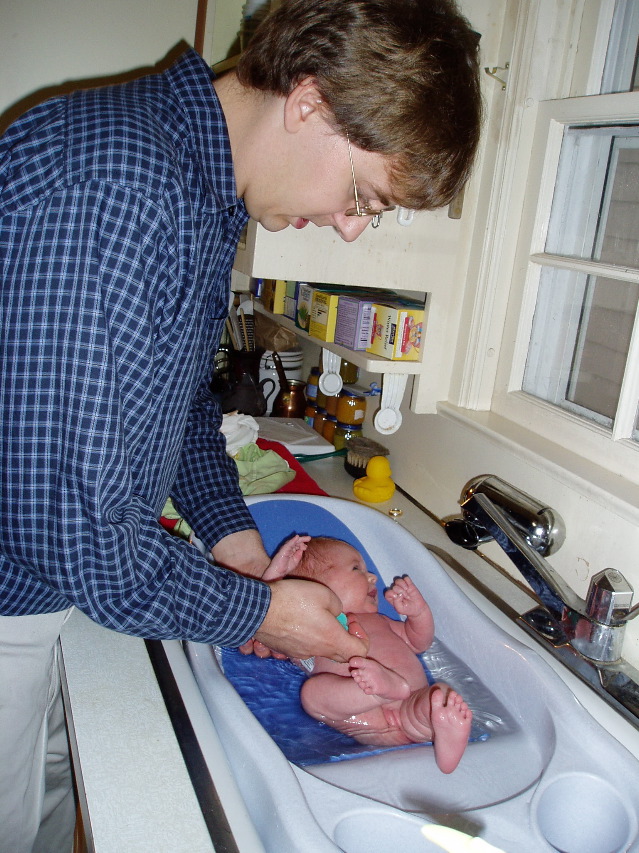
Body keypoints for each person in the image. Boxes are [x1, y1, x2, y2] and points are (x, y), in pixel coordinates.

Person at [0, 0, 482, 848]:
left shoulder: (199, 193)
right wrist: (253, 614)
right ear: (309, 102)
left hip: (37, 593)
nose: (349, 226)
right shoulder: (126, 184)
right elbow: (76, 534)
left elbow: (177, 400)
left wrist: (238, 548)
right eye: (361, 195)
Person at [263, 536, 473, 774]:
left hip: (409, 706)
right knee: (313, 695)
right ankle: (382, 693)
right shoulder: (310, 628)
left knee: (439, 697)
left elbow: (418, 642)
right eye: (356, 569)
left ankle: (444, 734)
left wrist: (418, 614)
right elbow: (273, 612)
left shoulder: (381, 621)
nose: (372, 576)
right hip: (360, 712)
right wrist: (276, 575)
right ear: (315, 588)